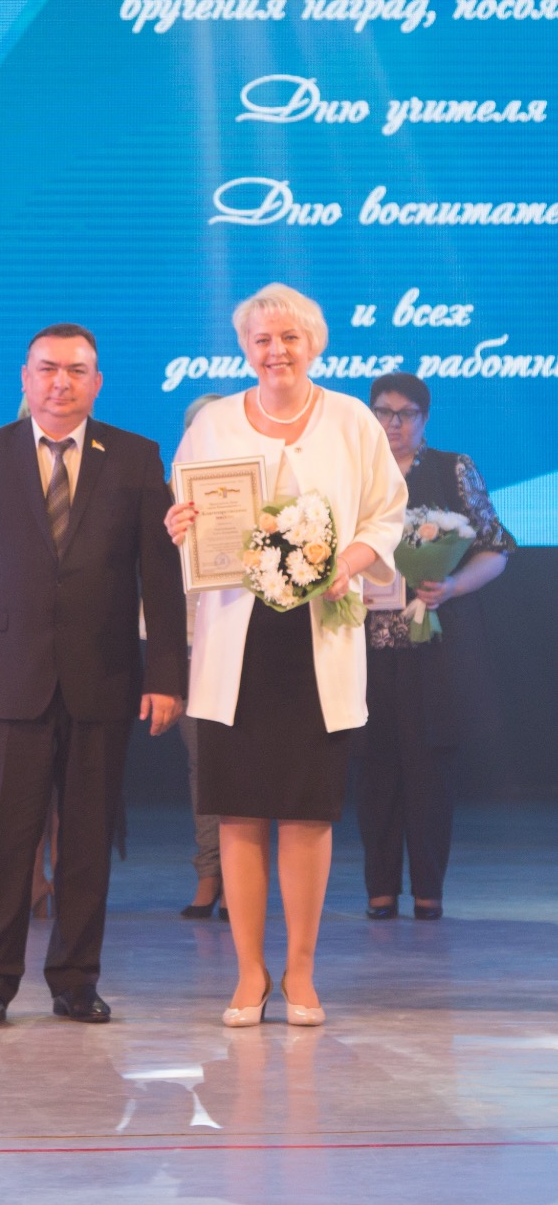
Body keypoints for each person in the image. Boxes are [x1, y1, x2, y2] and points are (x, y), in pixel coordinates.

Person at [0, 323, 187, 1028]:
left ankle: (75, 980)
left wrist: (166, 675)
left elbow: (159, 577)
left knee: (87, 842)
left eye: (76, 370)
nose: (60, 382)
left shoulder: (134, 456)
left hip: (104, 677)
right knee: (2, 843)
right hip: (6, 679)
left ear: (97, 383)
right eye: (47, 368)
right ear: (25, 377)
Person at [166, 285, 406, 1027]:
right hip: (234, 643)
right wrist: (180, 523)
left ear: (314, 345)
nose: (276, 351)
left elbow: (385, 514)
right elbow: (187, 508)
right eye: (263, 339)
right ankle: (249, 974)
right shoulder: (210, 425)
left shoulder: (352, 419)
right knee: (238, 812)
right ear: (246, 348)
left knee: (306, 812)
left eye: (289, 338)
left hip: (317, 637)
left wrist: (349, 562)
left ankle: (300, 973)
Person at [357, 373, 515, 921]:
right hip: (366, 647)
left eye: (406, 414)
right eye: (383, 412)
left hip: (434, 647)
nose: (393, 424)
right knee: (374, 766)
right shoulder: (354, 471)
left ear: (425, 419)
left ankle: (428, 890)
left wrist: (451, 586)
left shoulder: (453, 469)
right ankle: (379, 890)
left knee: (430, 769)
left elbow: (496, 548)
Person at [176, 394, 226, 921]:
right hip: (190, 645)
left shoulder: (261, 489)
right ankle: (209, 872)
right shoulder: (168, 494)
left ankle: (243, 878)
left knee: (248, 764)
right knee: (204, 764)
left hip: (250, 644)